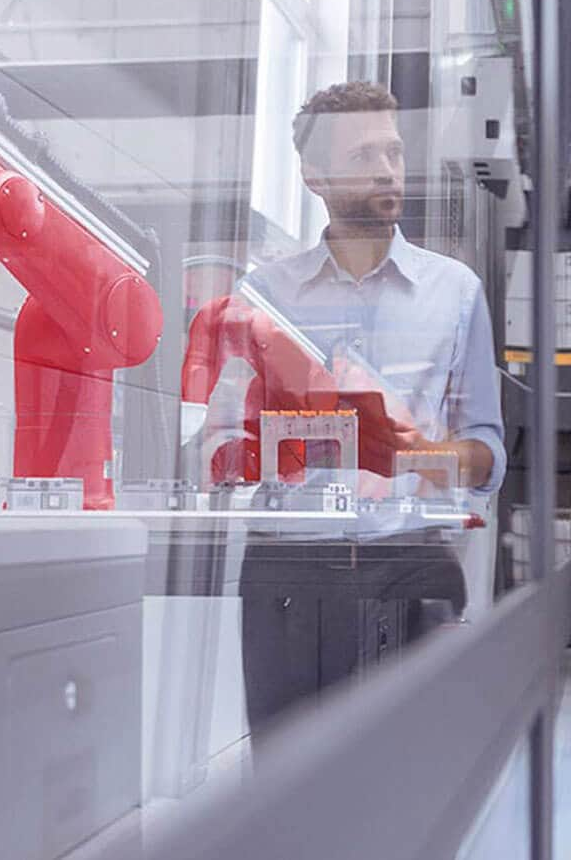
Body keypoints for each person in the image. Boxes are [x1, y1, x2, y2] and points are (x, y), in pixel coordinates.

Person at [214, 80, 506, 750]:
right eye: (363, 153)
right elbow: (222, 441)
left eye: (394, 151)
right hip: (289, 572)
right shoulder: (263, 297)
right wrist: (256, 445)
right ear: (315, 175)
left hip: (411, 564)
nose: (386, 168)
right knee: (287, 787)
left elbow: (487, 453)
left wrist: (412, 452)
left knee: (412, 789)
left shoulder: (455, 293)